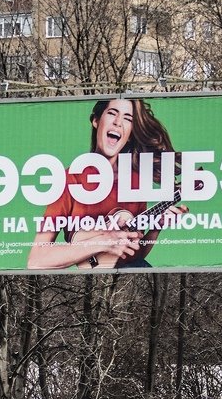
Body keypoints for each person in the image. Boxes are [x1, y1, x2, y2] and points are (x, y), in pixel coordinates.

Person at [26, 97, 187, 271]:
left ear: (131, 131)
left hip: (128, 276)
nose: (118, 123)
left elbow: (134, 253)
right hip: (88, 279)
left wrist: (156, 228)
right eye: (112, 113)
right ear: (96, 120)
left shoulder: (136, 181)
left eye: (128, 118)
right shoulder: (69, 179)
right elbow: (36, 260)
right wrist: (104, 242)